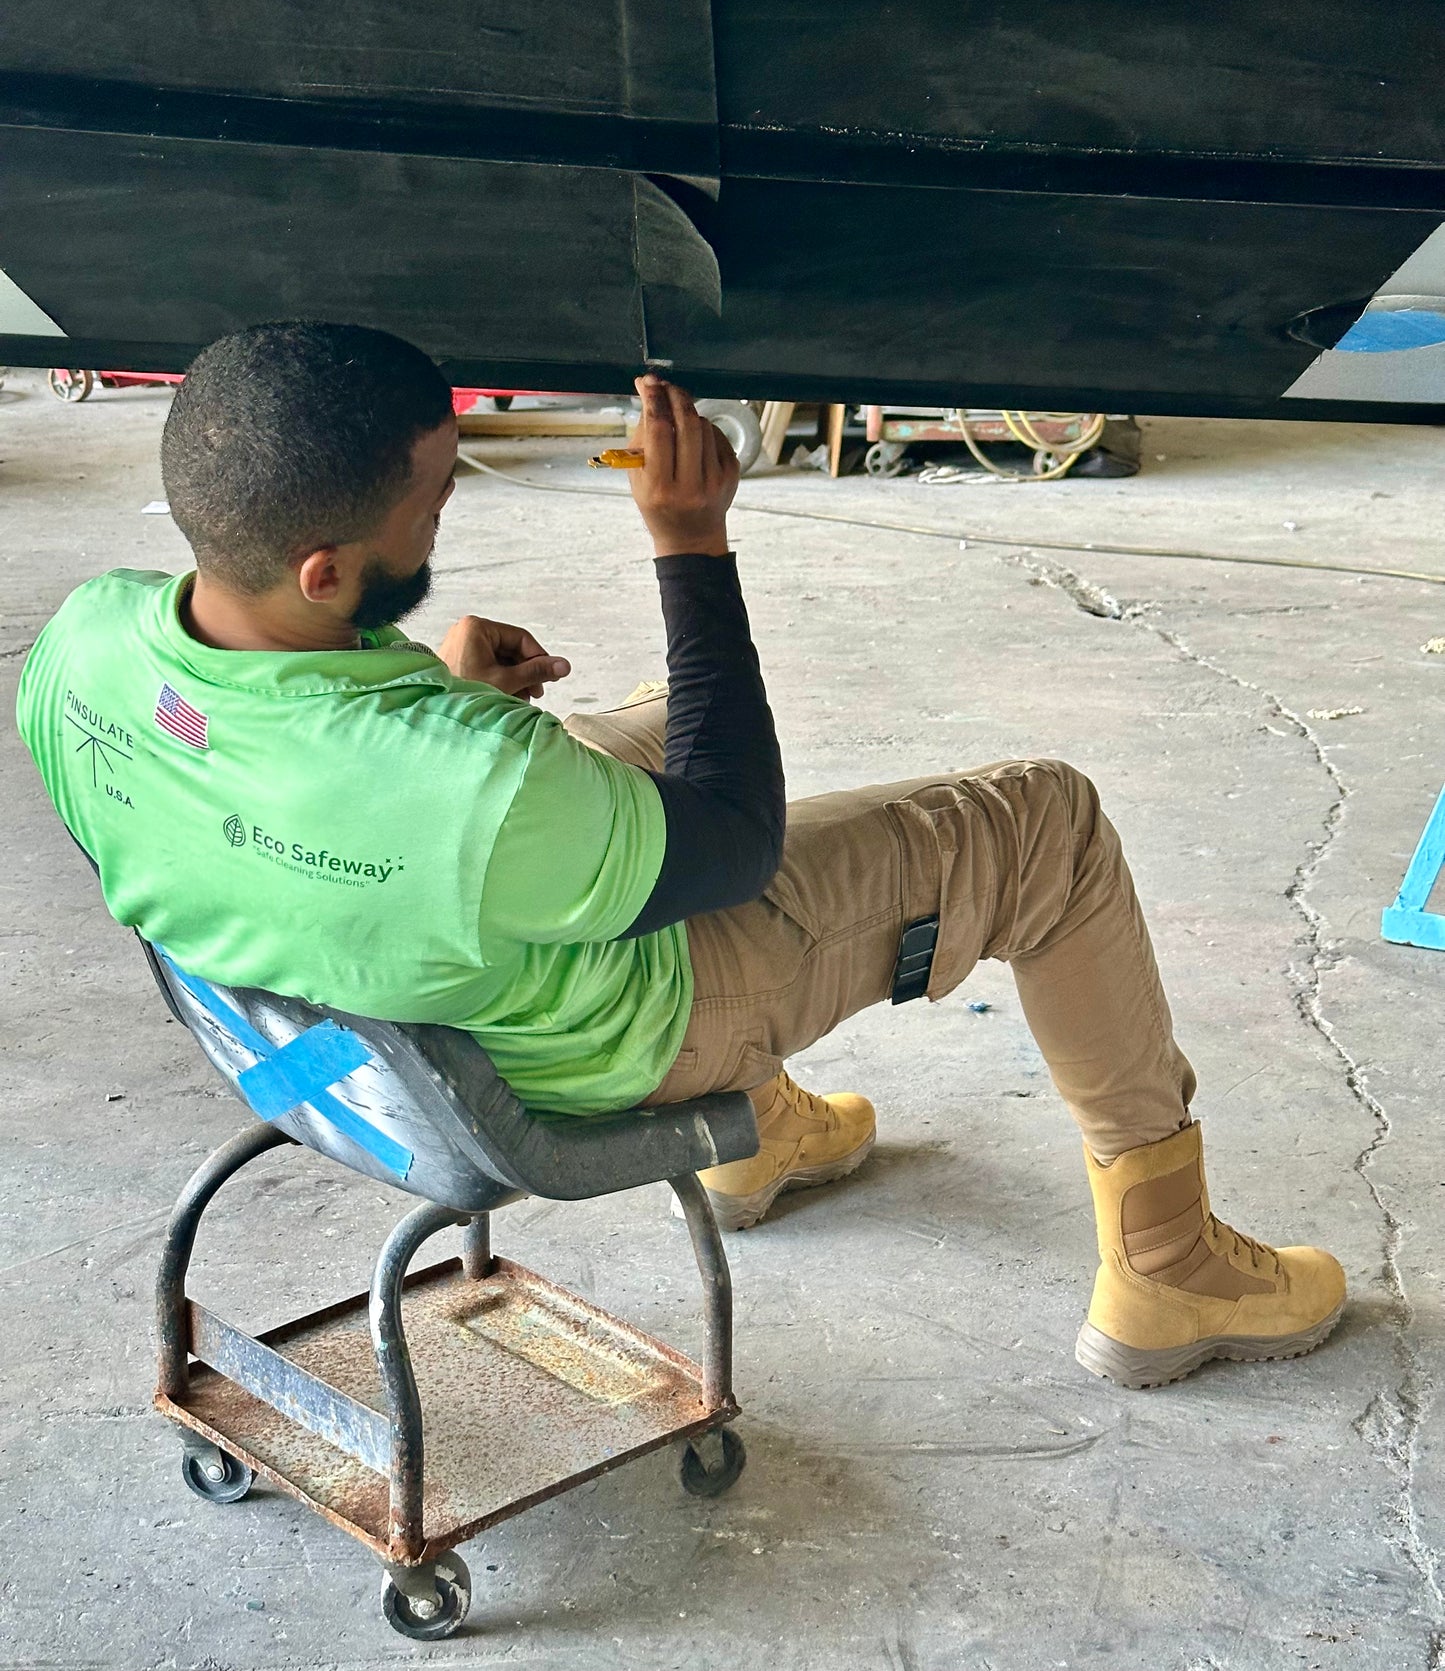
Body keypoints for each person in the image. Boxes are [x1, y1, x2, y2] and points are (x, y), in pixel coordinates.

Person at [18, 322, 1346, 1391]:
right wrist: (689, 544)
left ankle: (761, 1143)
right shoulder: (467, 785)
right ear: (323, 574)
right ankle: (1167, 1264)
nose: (444, 516)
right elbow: (733, 842)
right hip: (603, 1038)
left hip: (339, 1004)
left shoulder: (90, 639)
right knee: (1037, 821)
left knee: (647, 729)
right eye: (432, 498)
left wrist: (445, 685)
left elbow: (283, 766)